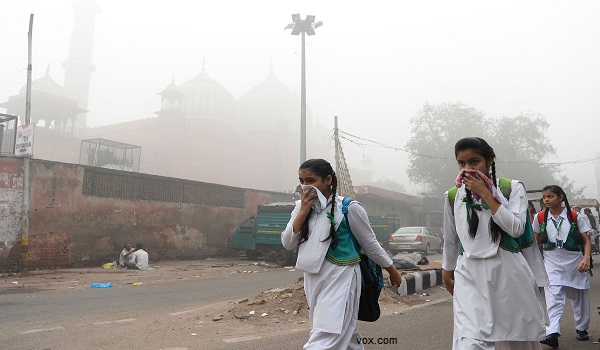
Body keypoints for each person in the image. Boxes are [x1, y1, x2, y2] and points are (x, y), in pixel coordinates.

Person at [281, 159, 403, 350]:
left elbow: (370, 244)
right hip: (313, 277)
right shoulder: (300, 208)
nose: (305, 186)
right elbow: (288, 243)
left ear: (328, 179)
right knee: (344, 334)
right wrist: (303, 211)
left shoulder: (349, 208)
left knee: (327, 334)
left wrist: (392, 270)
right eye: (301, 181)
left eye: (311, 180)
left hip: (342, 276)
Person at [442, 137, 547, 350]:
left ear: (490, 160)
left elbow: (516, 228)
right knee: (469, 342)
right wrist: (447, 269)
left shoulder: (512, 188)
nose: (467, 169)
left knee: (518, 339)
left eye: (474, 161)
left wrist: (487, 195)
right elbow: (451, 238)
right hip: (468, 273)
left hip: (507, 272)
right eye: (461, 163)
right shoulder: (452, 195)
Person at [532, 185, 592, 347]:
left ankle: (581, 328)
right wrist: (534, 264)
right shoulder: (540, 217)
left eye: (550, 196)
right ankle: (552, 333)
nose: (546, 199)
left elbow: (586, 240)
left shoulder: (574, 216)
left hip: (575, 263)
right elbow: (534, 242)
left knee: (579, 297)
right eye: (544, 197)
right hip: (552, 264)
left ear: (561, 198)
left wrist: (586, 258)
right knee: (554, 298)